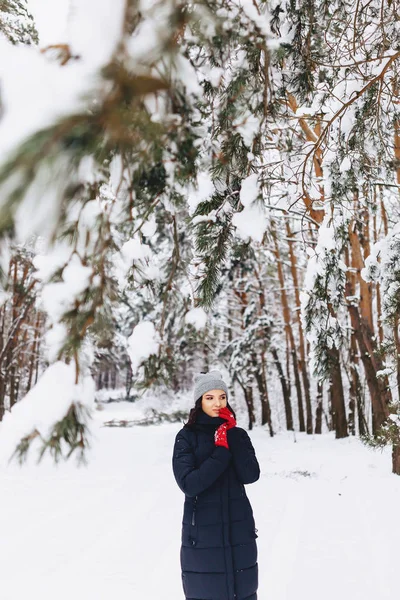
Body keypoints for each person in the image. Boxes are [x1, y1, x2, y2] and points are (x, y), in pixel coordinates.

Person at [172, 370, 260, 600]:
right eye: (209, 397)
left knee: (242, 592)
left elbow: (250, 475)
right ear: (199, 402)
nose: (217, 403)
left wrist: (231, 437)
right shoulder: (186, 437)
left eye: (222, 397)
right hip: (202, 534)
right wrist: (220, 451)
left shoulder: (237, 435)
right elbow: (189, 484)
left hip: (238, 530)